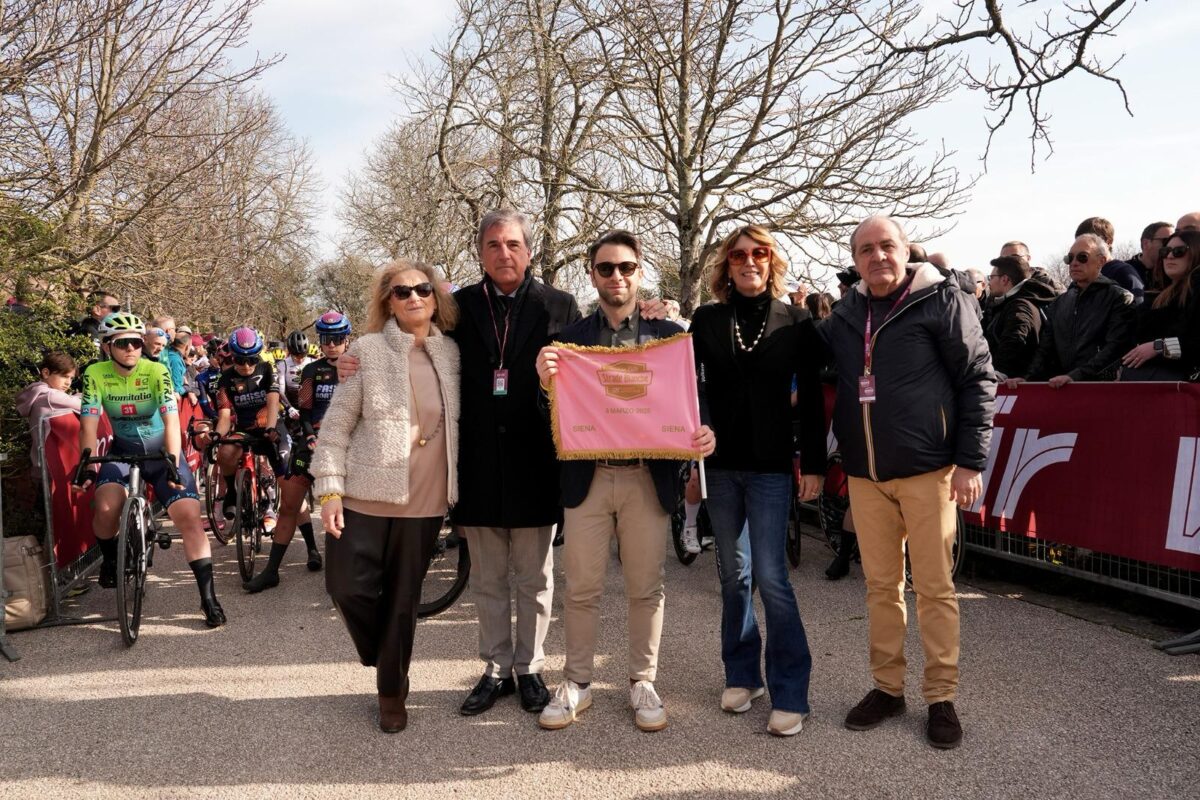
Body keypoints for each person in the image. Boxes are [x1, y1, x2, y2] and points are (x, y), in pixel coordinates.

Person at [336, 209, 581, 717]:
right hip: (477, 464)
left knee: (536, 578)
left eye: (513, 244)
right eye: (493, 245)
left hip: (536, 462)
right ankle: (495, 668)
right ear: (480, 253)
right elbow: (416, 339)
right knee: (488, 578)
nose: (504, 253)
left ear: (529, 250)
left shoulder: (560, 305)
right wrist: (352, 358)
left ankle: (530, 667)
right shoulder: (460, 306)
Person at [819, 215, 995, 750]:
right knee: (880, 589)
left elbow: (977, 378)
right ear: (855, 259)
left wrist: (969, 461)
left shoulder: (941, 299)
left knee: (936, 589)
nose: (877, 257)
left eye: (886, 246)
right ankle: (887, 688)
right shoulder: (846, 315)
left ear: (905, 250)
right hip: (867, 477)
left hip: (929, 472)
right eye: (866, 249)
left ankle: (941, 696)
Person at [533, 231, 716, 733]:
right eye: (607, 268)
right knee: (582, 586)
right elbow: (544, 416)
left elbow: (698, 399)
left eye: (627, 267)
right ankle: (577, 682)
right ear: (592, 275)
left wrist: (705, 432)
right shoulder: (566, 342)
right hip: (587, 480)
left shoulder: (670, 335)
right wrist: (543, 379)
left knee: (646, 587)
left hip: (645, 478)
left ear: (640, 272)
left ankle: (642, 681)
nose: (617, 277)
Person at [688, 224, 826, 737]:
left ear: (772, 262)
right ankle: (743, 676)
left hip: (771, 469)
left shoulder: (797, 321)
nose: (749, 261)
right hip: (720, 468)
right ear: (727, 265)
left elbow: (811, 398)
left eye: (760, 253)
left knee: (772, 577)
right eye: (740, 254)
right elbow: (680, 382)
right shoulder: (706, 319)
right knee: (732, 576)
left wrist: (812, 464)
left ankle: (791, 691)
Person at [312, 260, 461, 734]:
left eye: (422, 289)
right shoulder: (366, 351)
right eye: (402, 292)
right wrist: (329, 491)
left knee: (402, 599)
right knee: (344, 586)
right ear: (387, 302)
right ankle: (384, 656)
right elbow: (334, 430)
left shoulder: (455, 354)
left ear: (437, 297)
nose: (414, 297)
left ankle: (391, 690)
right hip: (363, 495)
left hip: (426, 499)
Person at [74, 313, 225, 627]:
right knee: (104, 507)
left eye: (136, 342)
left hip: (160, 452)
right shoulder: (95, 374)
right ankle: (112, 557)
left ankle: (208, 598)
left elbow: (171, 421)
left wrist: (172, 460)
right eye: (123, 343)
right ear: (106, 346)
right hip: (122, 451)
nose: (132, 348)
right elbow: (88, 424)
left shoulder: (156, 370)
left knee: (189, 517)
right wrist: (86, 465)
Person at [242, 312, 351, 592]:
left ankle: (353, 571)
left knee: (354, 509)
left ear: (347, 339)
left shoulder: (360, 368)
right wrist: (312, 435)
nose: (331, 345)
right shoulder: (311, 371)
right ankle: (272, 571)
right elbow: (304, 412)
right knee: (290, 503)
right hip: (313, 442)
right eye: (326, 339)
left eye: (337, 339)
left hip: (349, 446)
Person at [1016, 234, 1136, 388]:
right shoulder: (1060, 302)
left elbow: (1115, 349)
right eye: (1070, 258)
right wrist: (1027, 380)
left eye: (1082, 257)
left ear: (1101, 261)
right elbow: (1045, 351)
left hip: (1102, 389)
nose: (1074, 263)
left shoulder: (1119, 298)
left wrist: (1075, 376)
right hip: (1062, 388)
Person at [211, 327, 285, 527]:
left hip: (267, 423)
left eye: (251, 359)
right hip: (244, 428)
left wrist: (270, 428)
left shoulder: (267, 369)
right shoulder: (225, 380)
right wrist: (217, 435)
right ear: (232, 357)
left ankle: (269, 503)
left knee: (276, 463)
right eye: (239, 360)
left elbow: (272, 403)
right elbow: (225, 416)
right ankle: (231, 493)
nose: (245, 365)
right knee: (224, 453)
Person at [1120, 230, 1200, 381]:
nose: (1169, 256)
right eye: (1165, 251)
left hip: (1185, 389)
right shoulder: (1156, 294)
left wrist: (1159, 347)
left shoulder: (1196, 289)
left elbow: (1195, 341)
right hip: (1146, 385)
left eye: (1179, 251)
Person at [983, 256, 1058, 380]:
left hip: (1016, 385)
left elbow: (1015, 340)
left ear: (1005, 279)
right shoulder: (1010, 303)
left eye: (991, 277)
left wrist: (999, 373)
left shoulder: (1019, 306)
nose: (989, 282)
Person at [16, 351, 81, 478]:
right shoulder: (49, 396)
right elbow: (87, 407)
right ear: (46, 373)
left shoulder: (37, 393)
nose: (68, 383)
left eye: (71, 378)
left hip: (42, 464)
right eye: (64, 376)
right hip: (54, 464)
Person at [1076, 217, 1144, 304]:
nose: (1083, 247)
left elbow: (1137, 311)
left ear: (1108, 242)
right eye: (1079, 242)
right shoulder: (1081, 275)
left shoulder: (1123, 273)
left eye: (1091, 241)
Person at [1130, 221, 1175, 305]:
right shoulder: (1125, 271)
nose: (1171, 245)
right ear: (1146, 244)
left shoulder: (1175, 273)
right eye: (1166, 241)